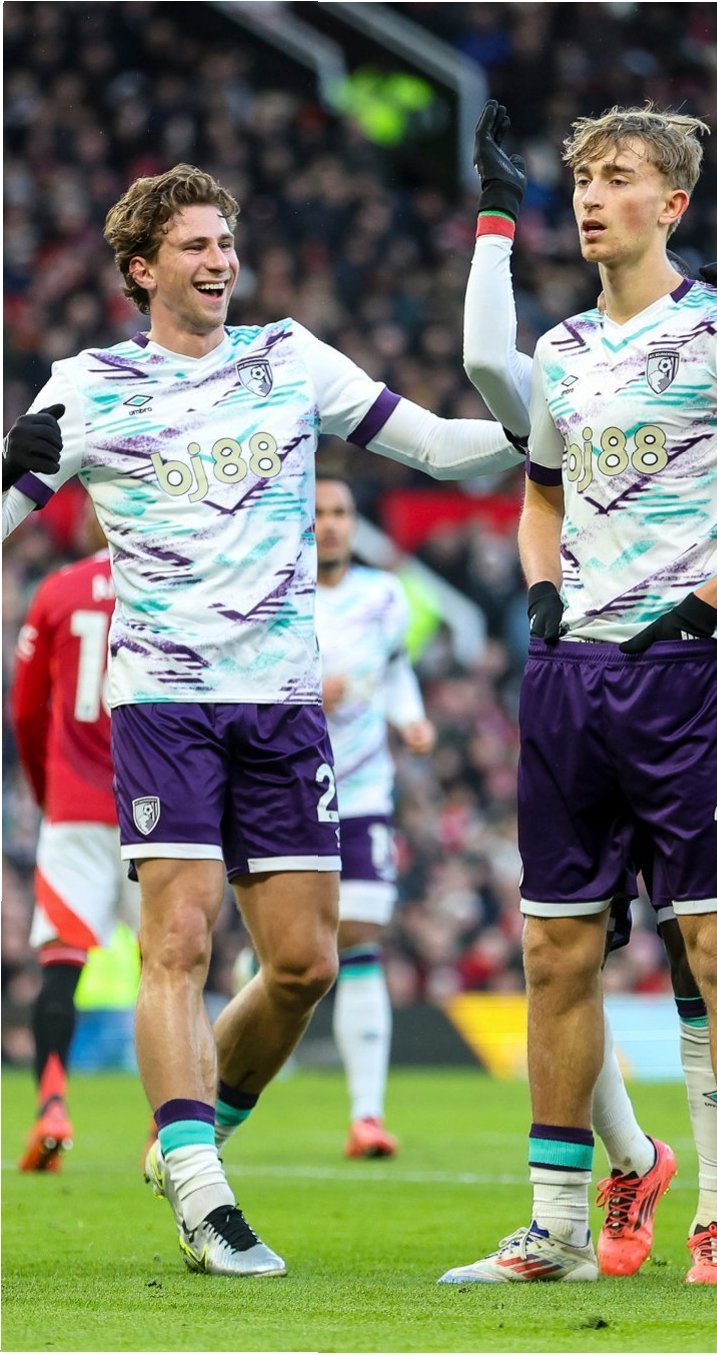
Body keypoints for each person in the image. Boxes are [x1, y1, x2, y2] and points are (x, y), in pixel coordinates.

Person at [1, 163, 525, 1277]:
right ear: (141, 267)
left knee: (302, 964)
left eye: (226, 241)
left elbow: (434, 444)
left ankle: (188, 1137)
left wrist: (544, 428)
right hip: (167, 702)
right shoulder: (89, 385)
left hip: (282, 704)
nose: (220, 260)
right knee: (180, 938)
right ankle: (204, 1196)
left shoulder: (290, 357)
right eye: (195, 244)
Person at [442, 103, 717, 1289]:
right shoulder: (560, 349)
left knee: (715, 945)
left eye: (617, 178)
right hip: (572, 677)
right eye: (581, 179)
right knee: (553, 950)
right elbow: (541, 491)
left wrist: (709, 607)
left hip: (688, 680)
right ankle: (556, 1225)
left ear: (672, 203)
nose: (590, 197)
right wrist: (541, 589)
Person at [11, 506, 138, 1172]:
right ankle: (171, 1124)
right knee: (172, 966)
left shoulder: (56, 590)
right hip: (157, 808)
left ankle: (52, 1106)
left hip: (74, 807)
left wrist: (46, 790)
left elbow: (26, 710)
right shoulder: (172, 582)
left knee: (61, 963)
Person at [313, 472, 436, 1158]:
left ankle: (366, 1115)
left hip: (361, 790)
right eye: (318, 512)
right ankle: (256, 972)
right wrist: (307, 692)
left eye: (340, 511)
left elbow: (394, 673)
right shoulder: (276, 593)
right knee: (299, 945)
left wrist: (409, 719)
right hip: (285, 789)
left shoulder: (383, 595)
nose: (330, 523)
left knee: (360, 933)